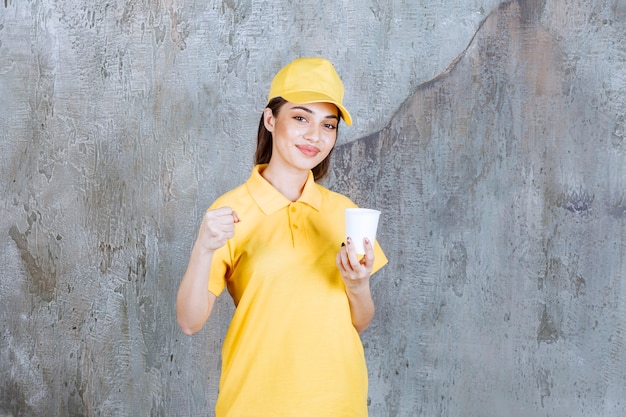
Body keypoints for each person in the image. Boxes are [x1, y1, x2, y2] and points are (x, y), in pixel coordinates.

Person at [176, 57, 388, 417]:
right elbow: (189, 321)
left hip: (339, 403)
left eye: (328, 125)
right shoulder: (231, 210)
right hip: (256, 403)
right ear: (271, 119)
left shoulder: (344, 213)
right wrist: (203, 248)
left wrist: (357, 284)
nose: (315, 136)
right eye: (301, 118)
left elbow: (359, 322)